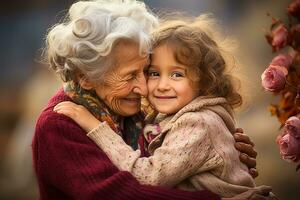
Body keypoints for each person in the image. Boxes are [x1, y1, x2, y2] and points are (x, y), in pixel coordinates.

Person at [33, 0, 269, 199]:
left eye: (146, 71)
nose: (145, 88)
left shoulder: (133, 106)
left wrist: (226, 154)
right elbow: (124, 195)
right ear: (85, 78)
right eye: (130, 76)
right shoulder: (59, 125)